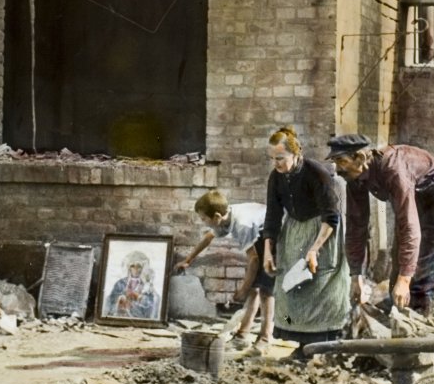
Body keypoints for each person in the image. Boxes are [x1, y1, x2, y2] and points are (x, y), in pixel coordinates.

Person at [326, 133, 434, 315]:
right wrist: (356, 276)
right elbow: (356, 226)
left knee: (423, 263)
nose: (337, 169)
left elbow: (409, 227)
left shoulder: (393, 170)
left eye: (341, 161)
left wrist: (404, 280)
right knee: (398, 260)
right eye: (335, 162)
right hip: (413, 196)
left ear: (360, 158)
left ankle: (419, 314)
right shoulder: (355, 177)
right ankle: (396, 307)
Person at [261, 126, 350, 353]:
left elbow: (331, 216)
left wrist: (314, 250)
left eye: (280, 158)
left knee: (321, 287)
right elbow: (272, 216)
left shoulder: (316, 173)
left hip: (323, 233)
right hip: (294, 234)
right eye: (272, 159)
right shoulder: (276, 178)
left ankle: (324, 346)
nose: (276, 164)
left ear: (295, 154)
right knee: (291, 289)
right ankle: (301, 345)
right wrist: (268, 251)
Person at [174, 190, 274, 351]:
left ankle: (265, 337)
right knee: (254, 288)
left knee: (265, 289)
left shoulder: (241, 225)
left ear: (216, 217)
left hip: (274, 233)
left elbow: (254, 260)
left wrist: (242, 289)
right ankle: (242, 335)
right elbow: (208, 237)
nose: (202, 222)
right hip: (261, 231)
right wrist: (188, 259)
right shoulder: (223, 217)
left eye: (203, 219)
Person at [106, 251, 160, 320]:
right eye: (132, 266)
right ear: (128, 267)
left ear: (143, 268)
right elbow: (111, 300)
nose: (135, 269)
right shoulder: (120, 283)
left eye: (139, 266)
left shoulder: (146, 286)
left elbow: (152, 304)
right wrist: (120, 300)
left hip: (138, 319)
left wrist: (139, 297)